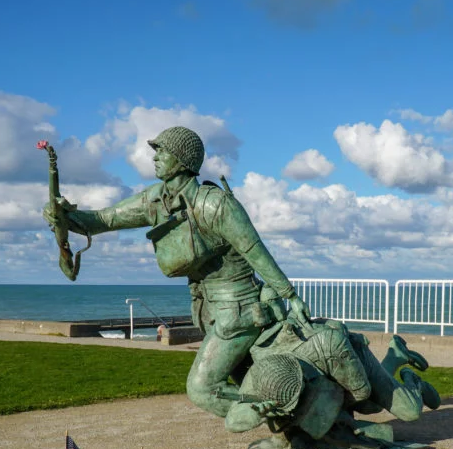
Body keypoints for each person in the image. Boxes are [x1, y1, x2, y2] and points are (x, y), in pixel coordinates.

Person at [42, 126, 310, 417]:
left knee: (203, 389)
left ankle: (297, 419)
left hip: (240, 309)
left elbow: (256, 252)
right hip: (209, 311)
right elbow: (103, 220)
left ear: (182, 160)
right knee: (250, 382)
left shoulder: (215, 204)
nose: (154, 158)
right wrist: (64, 216)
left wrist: (290, 296)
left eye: (162, 151)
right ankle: (296, 421)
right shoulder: (156, 200)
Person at [223, 310, 441, 449]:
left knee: (396, 409)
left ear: (307, 377)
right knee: (311, 427)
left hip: (352, 359)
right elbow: (232, 421)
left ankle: (412, 380)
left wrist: (336, 419)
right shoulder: (263, 369)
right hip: (324, 375)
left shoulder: (329, 345)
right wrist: (260, 411)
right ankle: (395, 356)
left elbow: (360, 393)